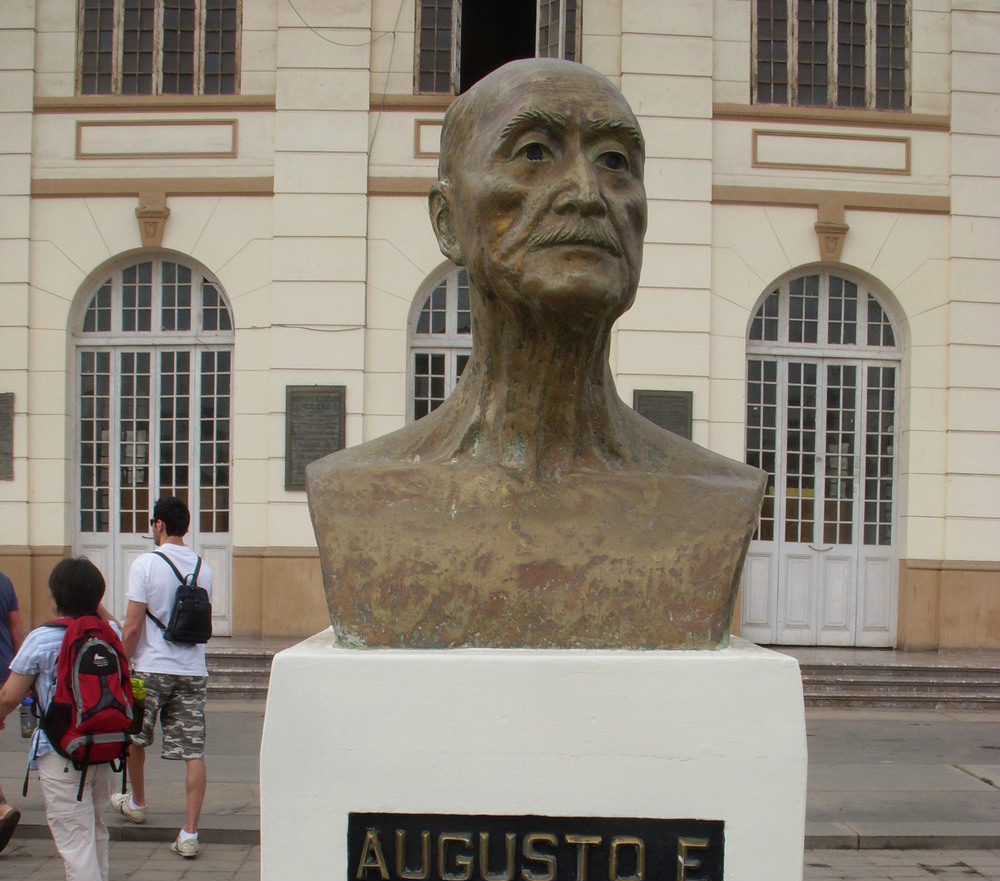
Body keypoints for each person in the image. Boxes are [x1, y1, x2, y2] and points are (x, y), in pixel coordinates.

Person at [306, 58, 764, 649]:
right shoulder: (357, 499)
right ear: (448, 221)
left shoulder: (714, 501)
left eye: (615, 162)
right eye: (533, 152)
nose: (586, 193)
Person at [0, 558, 117, 881]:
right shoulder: (110, 631)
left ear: (55, 598)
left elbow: (9, 697)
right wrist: (95, 606)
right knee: (96, 831)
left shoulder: (41, 639)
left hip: (60, 752)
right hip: (103, 747)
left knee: (75, 841)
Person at [113, 495, 212, 859]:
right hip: (192, 670)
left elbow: (133, 625)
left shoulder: (146, 564)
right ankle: (189, 833)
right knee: (193, 751)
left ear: (158, 524)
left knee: (135, 737)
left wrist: (123, 662)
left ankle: (137, 801)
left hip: (150, 669)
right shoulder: (205, 568)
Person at [0, 568, 25, 853]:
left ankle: (2, 807)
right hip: (4, 674)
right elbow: (17, 631)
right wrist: (22, 678)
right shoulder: (4, 580)